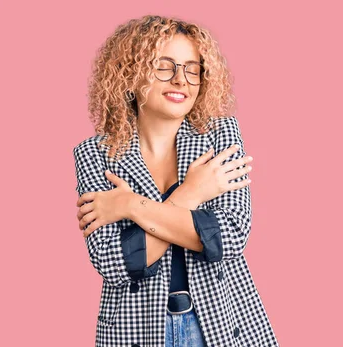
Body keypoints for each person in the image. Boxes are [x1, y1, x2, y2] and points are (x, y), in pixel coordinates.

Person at [73, 15, 279, 347]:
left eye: (192, 69)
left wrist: (130, 205)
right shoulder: (95, 154)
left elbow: (229, 237)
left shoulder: (221, 136)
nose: (181, 80)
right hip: (134, 329)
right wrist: (192, 196)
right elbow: (113, 262)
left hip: (221, 324)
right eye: (164, 67)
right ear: (130, 74)